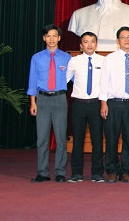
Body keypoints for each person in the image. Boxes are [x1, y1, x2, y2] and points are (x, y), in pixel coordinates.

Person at [28, 24, 71, 183]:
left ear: (59, 38)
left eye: (54, 36)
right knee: (42, 139)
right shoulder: (36, 58)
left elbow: (76, 78)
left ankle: (60, 172)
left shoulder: (67, 58)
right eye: (48, 36)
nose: (51, 39)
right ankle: (42, 172)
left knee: (61, 138)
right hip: (42, 100)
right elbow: (32, 81)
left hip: (60, 99)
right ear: (44, 38)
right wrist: (33, 102)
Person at [99, 26, 129, 183]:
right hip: (113, 103)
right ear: (118, 41)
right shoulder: (110, 58)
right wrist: (103, 103)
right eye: (123, 37)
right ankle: (112, 171)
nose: (126, 40)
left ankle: (126, 171)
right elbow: (104, 82)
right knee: (111, 138)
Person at [66, 32, 105, 183]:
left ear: (96, 44)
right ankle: (76, 173)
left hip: (96, 104)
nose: (89, 44)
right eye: (86, 42)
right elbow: (65, 80)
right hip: (79, 105)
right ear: (81, 45)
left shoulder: (103, 61)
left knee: (97, 140)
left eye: (92, 41)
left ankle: (97, 173)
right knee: (78, 141)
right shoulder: (74, 61)